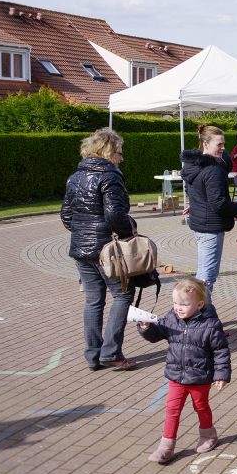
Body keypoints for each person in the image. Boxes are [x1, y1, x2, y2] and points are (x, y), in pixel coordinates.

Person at [60, 128, 138, 371]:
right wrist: (128, 233)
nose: (121, 158)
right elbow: (115, 214)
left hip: (81, 249)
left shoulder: (75, 177)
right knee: (123, 295)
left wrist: (83, 232)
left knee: (94, 300)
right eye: (119, 152)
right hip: (107, 249)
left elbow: (66, 215)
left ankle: (93, 354)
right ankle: (111, 352)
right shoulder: (110, 176)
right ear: (108, 152)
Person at [138, 277, 231, 463]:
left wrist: (221, 374)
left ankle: (208, 435)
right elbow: (157, 334)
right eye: (175, 303)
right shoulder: (172, 318)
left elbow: (221, 350)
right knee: (172, 409)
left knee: (201, 407)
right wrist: (146, 328)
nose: (178, 308)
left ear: (199, 304)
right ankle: (166, 447)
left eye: (183, 304)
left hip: (199, 377)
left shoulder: (210, 324)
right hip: (176, 376)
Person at [181, 124, 237, 301]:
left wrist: (196, 205)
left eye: (224, 143)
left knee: (203, 274)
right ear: (205, 144)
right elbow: (219, 203)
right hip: (210, 228)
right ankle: (200, 319)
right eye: (219, 144)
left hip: (201, 223)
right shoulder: (213, 170)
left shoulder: (195, 165)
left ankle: (200, 316)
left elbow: (195, 192)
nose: (223, 148)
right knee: (206, 278)